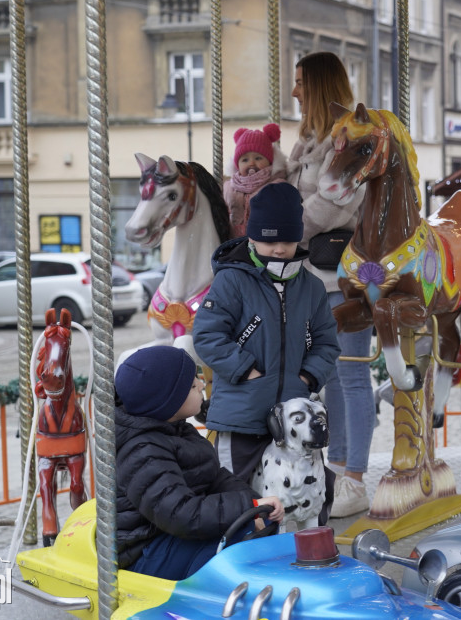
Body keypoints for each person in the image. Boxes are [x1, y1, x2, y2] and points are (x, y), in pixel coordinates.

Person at [192, 182, 341, 490]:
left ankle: (301, 538)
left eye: (287, 240)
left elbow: (327, 342)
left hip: (293, 418)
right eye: (267, 240)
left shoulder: (311, 287)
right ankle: (238, 540)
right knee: (235, 491)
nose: (278, 248)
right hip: (240, 416)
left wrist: (308, 378)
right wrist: (246, 370)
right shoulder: (231, 280)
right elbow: (207, 335)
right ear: (252, 235)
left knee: (306, 488)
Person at [286, 50, 374, 518]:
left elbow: (336, 199)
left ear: (319, 85)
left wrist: (287, 230)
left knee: (351, 375)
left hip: (341, 275)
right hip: (306, 275)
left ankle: (354, 478)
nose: (294, 90)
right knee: (324, 379)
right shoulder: (307, 140)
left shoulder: (349, 137)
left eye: (301, 82)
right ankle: (332, 470)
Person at [115, 345, 285, 580]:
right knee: (237, 537)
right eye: (193, 385)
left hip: (170, 536)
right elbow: (181, 514)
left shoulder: (176, 431)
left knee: (260, 526)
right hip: (145, 552)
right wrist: (246, 506)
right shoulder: (143, 451)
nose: (202, 386)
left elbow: (214, 477)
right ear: (168, 401)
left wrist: (255, 505)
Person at [223, 123, 286, 238]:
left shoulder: (277, 186)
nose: (251, 163)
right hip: (234, 243)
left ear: (270, 161)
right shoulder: (229, 187)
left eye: (258, 158)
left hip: (264, 243)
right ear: (237, 165)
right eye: (245, 160)